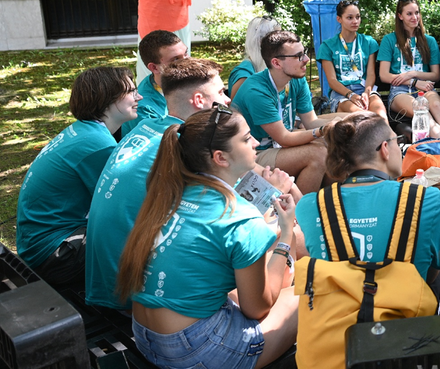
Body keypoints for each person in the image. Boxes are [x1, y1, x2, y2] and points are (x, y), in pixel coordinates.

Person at [85, 58, 300, 310]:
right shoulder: (184, 149)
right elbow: (234, 222)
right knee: (288, 240)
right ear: (199, 100)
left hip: (113, 277)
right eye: (221, 92)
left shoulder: (150, 128)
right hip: (137, 290)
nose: (228, 99)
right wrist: (272, 197)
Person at [116, 107, 298, 369]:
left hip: (145, 338)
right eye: (246, 138)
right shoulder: (241, 219)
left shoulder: (170, 193)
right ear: (220, 157)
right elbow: (257, 309)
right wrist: (286, 236)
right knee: (307, 294)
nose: (256, 143)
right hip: (200, 357)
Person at [16, 67, 141, 287]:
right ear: (108, 98)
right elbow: (125, 205)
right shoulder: (98, 144)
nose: (139, 97)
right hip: (54, 255)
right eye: (131, 92)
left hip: (37, 246)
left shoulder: (85, 131)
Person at [295, 111, 440, 282]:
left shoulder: (309, 206)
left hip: (335, 299)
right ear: (385, 149)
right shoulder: (428, 201)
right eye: (397, 141)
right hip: (405, 298)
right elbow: (439, 265)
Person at [232, 30, 330, 194]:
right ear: (277, 63)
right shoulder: (256, 91)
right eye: (298, 56)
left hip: (277, 143)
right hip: (253, 154)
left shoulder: (296, 79)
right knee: (318, 154)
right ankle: (299, 209)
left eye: (304, 53)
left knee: (334, 141)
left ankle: (330, 199)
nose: (307, 59)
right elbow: (284, 139)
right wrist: (322, 131)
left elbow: (311, 121)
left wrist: (346, 122)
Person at [378, 0, 440, 139]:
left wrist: (413, 73)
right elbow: (384, 75)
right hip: (400, 91)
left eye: (417, 13)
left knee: (438, 108)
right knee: (422, 111)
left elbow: (435, 75)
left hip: (425, 88)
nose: (414, 17)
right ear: (400, 16)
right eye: (409, 14)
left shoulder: (429, 40)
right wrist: (413, 81)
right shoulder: (389, 40)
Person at [318, 1, 387, 118]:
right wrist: (350, 95)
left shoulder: (368, 42)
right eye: (350, 18)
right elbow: (332, 80)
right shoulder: (327, 46)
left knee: (381, 116)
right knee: (363, 117)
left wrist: (367, 92)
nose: (355, 21)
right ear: (339, 19)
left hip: (364, 89)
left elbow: (370, 74)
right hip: (342, 93)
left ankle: (391, 133)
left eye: (358, 17)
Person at [122, 30, 189, 135]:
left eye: (185, 53)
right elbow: (168, 142)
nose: (187, 63)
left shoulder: (163, 82)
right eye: (176, 59)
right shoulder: (144, 109)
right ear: (154, 68)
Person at [229, 16, 280, 100]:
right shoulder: (244, 75)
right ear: (261, 41)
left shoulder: (269, 67)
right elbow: (234, 107)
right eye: (278, 39)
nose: (282, 44)